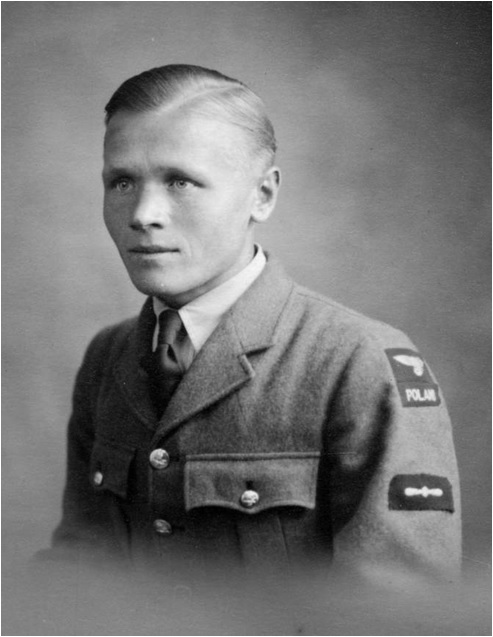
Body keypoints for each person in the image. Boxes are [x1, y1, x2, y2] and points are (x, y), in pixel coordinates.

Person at [47, 64, 461, 587]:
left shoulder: (359, 361)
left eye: (180, 181)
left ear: (262, 195)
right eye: (122, 182)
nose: (143, 214)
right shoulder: (109, 357)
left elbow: (398, 608)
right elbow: (80, 571)